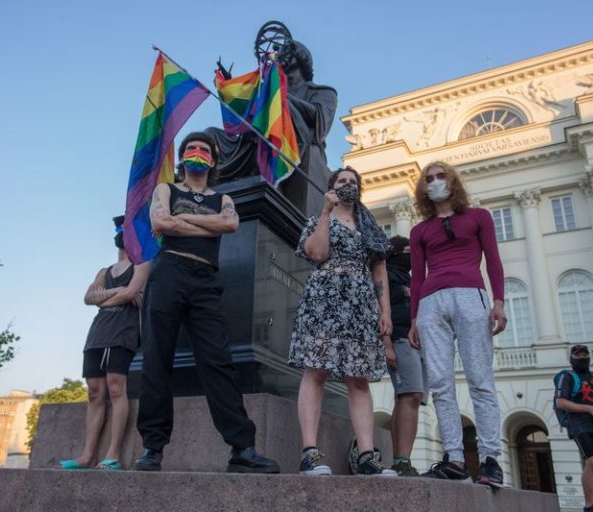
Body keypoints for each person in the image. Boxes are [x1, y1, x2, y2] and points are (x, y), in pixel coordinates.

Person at [133, 131, 279, 474]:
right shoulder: (166, 190)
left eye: (204, 149)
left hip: (205, 280)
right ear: (183, 157)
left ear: (213, 160)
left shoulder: (222, 198)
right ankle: (152, 447)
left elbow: (229, 223)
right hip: (169, 272)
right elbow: (159, 222)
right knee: (157, 358)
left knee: (218, 361)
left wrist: (182, 221)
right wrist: (205, 226)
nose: (197, 153)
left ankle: (242, 449)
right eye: (191, 148)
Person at [289, 166, 396, 476]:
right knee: (316, 371)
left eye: (353, 181)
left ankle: (366, 456)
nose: (348, 185)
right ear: (331, 188)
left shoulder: (370, 228)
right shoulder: (317, 220)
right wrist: (326, 212)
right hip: (324, 301)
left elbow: (380, 274)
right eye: (342, 181)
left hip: (361, 307)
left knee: (358, 379)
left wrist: (385, 312)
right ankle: (309, 452)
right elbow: (317, 253)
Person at [407, 161, 507, 485]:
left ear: (453, 181)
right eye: (429, 178)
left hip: (470, 296)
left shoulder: (478, 217)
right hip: (431, 303)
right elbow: (417, 277)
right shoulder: (420, 230)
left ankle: (490, 458)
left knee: (480, 379)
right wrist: (413, 320)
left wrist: (499, 302)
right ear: (424, 188)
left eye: (441, 176)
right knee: (439, 382)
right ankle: (455, 458)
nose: (435, 182)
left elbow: (493, 260)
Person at [208, 38, 337, 216]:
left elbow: (320, 123)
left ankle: (272, 170)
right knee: (210, 137)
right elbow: (247, 116)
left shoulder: (324, 92)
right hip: (252, 142)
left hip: (295, 144)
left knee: (277, 106)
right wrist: (230, 88)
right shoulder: (268, 89)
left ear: (299, 56)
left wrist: (279, 97)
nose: (277, 54)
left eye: (283, 50)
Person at [60, 215, 150, 470]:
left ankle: (112, 455)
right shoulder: (104, 271)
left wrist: (105, 298)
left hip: (123, 330)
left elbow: (131, 293)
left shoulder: (142, 265)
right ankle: (87, 455)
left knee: (115, 387)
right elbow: (89, 297)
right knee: (94, 391)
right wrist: (114, 294)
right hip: (98, 332)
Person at [384, 235, 428, 477]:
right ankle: (401, 460)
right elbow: (381, 309)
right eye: (409, 251)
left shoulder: (410, 279)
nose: (413, 257)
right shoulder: (387, 274)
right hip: (399, 339)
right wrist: (386, 343)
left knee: (411, 398)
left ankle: (403, 459)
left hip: (417, 344)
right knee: (409, 395)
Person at [555, 345, 593, 512]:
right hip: (580, 423)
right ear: (572, 358)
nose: (582, 358)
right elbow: (560, 402)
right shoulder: (566, 376)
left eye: (585, 354)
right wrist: (588, 409)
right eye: (578, 355)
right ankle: (589, 505)